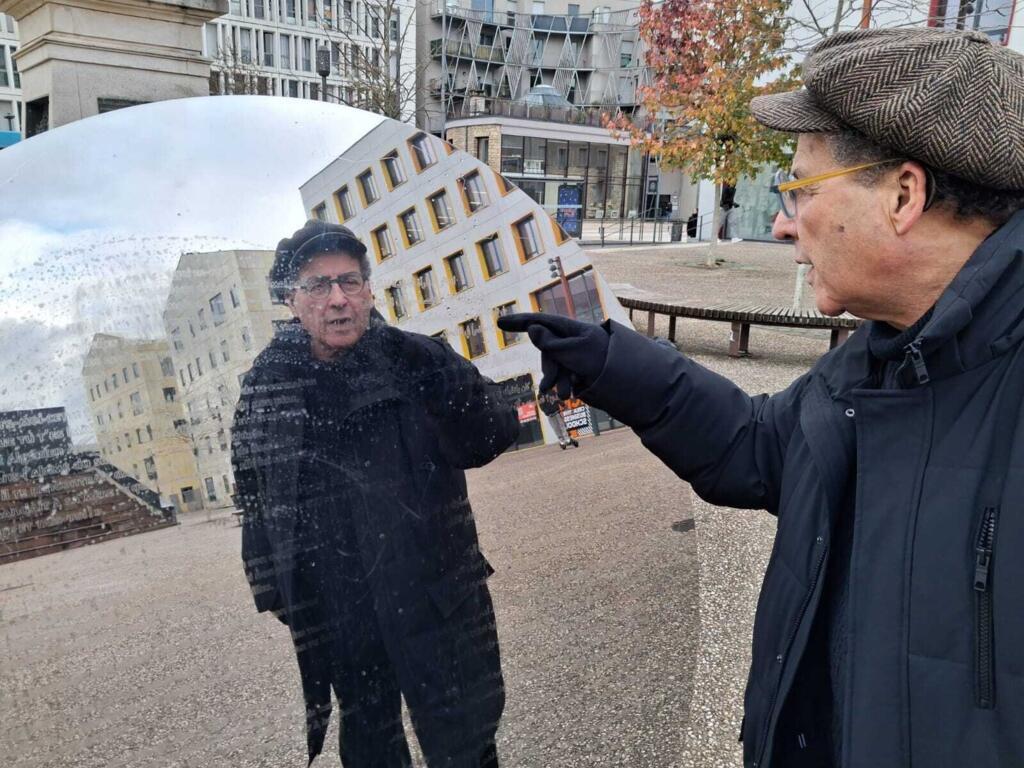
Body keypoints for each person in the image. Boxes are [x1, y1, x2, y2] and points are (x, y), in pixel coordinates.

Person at [498, 28, 1024, 768]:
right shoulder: (882, 355)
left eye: (800, 189)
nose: (783, 223)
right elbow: (758, 446)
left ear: (904, 195)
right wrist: (610, 359)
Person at [231, 220, 519, 767]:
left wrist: (451, 385)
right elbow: (253, 491)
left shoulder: (414, 360)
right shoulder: (267, 388)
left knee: (464, 738)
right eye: (318, 286)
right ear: (292, 300)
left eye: (350, 281)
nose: (337, 299)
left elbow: (491, 435)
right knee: (369, 746)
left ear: (367, 289)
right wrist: (274, 587)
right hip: (342, 609)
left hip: (435, 591)